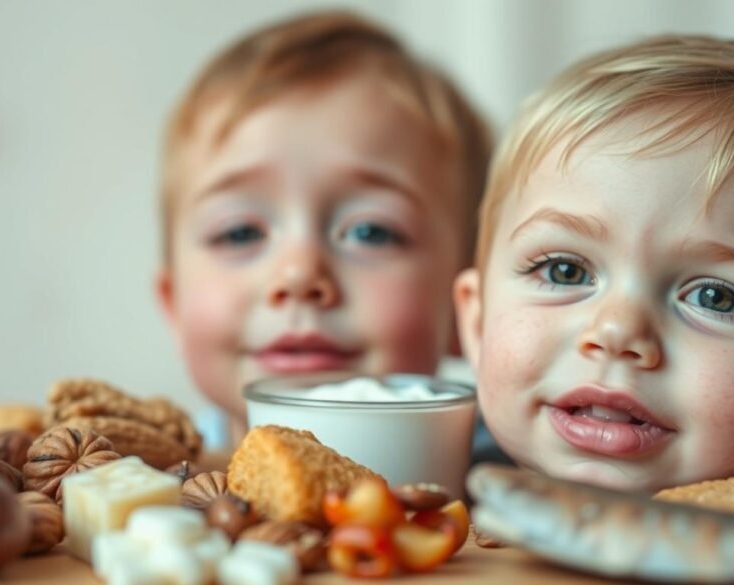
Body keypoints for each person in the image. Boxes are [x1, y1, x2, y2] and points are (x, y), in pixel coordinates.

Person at [455, 34, 734, 492]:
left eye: (715, 297)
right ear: (476, 321)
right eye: (565, 270)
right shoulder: (414, 482)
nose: (617, 331)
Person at [155, 10, 493, 444]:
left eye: (370, 231)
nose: (298, 275)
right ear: (172, 303)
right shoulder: (149, 484)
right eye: (240, 232)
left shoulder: (524, 489)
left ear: (470, 313)